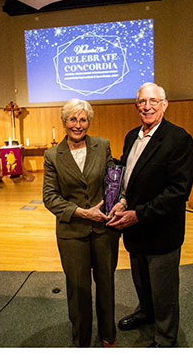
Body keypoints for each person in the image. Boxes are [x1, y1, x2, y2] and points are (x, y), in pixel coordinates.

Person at [107, 82, 193, 347]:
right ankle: (146, 313)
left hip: (161, 230)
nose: (147, 107)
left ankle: (166, 339)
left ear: (164, 104)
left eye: (153, 101)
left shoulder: (178, 139)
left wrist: (138, 213)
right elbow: (127, 177)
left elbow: (178, 192)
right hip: (134, 228)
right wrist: (121, 200)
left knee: (164, 292)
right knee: (142, 281)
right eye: (142, 102)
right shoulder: (131, 135)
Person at [42, 98, 119, 347]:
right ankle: (81, 343)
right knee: (78, 290)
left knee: (106, 284)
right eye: (73, 119)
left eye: (83, 119)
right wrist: (83, 213)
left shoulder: (102, 145)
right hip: (72, 232)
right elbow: (49, 197)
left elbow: (113, 182)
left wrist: (121, 201)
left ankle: (108, 336)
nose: (78, 125)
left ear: (89, 122)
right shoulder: (52, 155)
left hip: (104, 230)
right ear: (64, 123)